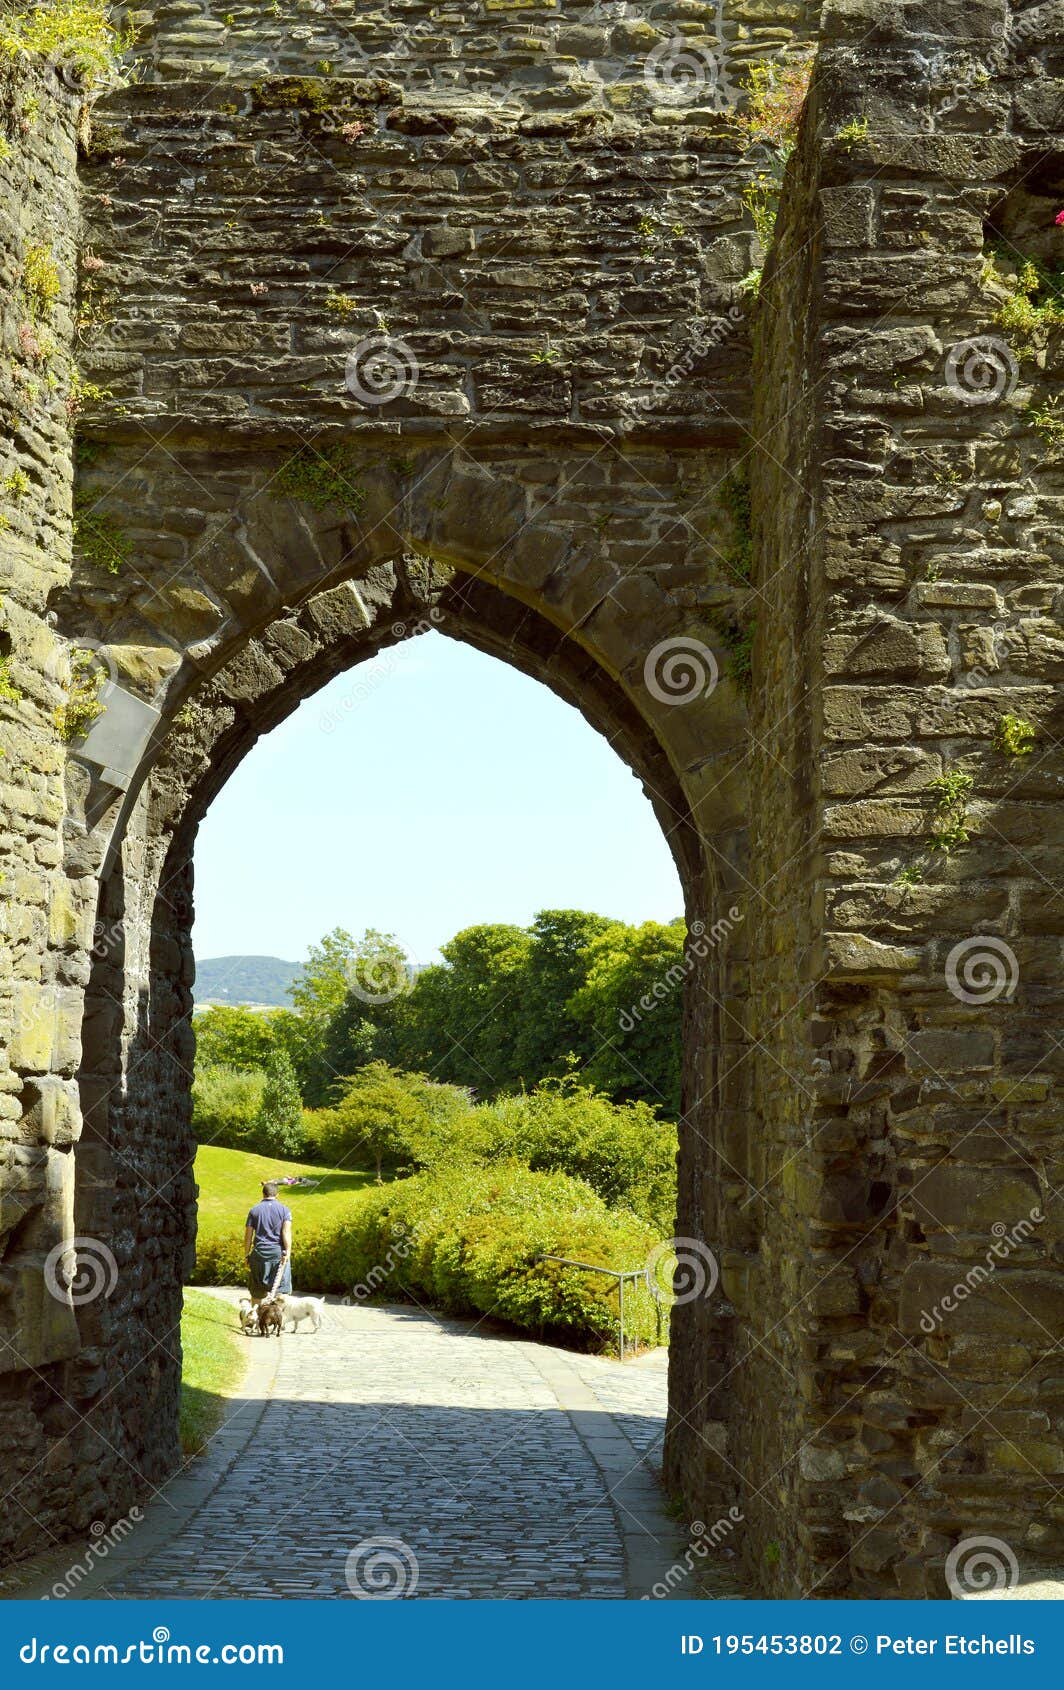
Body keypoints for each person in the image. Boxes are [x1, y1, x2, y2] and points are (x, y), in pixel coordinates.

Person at [244, 1181, 293, 1304]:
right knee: (281, 1292)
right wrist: (288, 1252)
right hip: (277, 1254)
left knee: (256, 1293)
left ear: (263, 1194)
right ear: (277, 1194)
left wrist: (246, 1255)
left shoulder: (254, 1210)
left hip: (258, 1254)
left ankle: (256, 1321)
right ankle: (279, 1321)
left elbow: (248, 1236)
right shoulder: (285, 1210)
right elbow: (286, 1232)